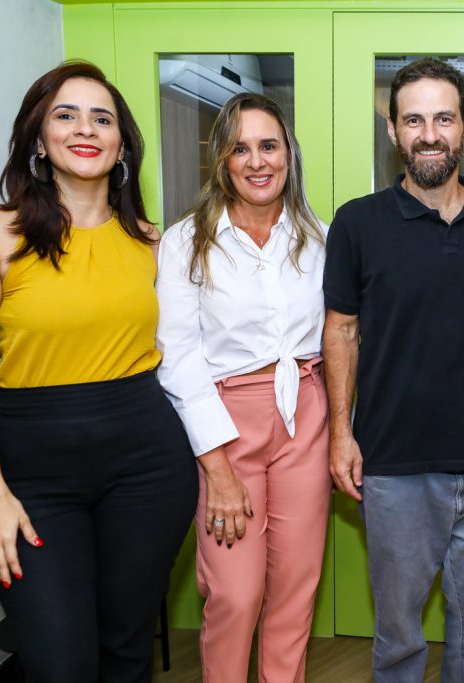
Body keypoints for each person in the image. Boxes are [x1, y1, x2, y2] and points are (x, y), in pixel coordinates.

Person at [0, 61, 197, 682]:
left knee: (126, 651)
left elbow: (191, 350)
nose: (85, 128)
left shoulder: (149, 242)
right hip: (33, 476)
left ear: (120, 147)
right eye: (66, 114)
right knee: (60, 664)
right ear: (38, 139)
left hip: (148, 466)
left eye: (102, 118)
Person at [323, 58, 464, 683]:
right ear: (393, 130)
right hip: (395, 469)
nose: (429, 133)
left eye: (442, 118)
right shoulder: (357, 223)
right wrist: (339, 433)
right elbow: (341, 331)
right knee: (399, 634)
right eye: (414, 119)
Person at [155, 93, 330, 683]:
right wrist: (219, 469)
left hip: (305, 413)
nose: (257, 161)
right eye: (240, 148)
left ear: (288, 155)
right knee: (234, 593)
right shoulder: (185, 243)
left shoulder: (319, 236)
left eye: (269, 146)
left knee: (295, 589)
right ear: (222, 160)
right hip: (225, 422)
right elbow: (176, 360)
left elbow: (343, 335)